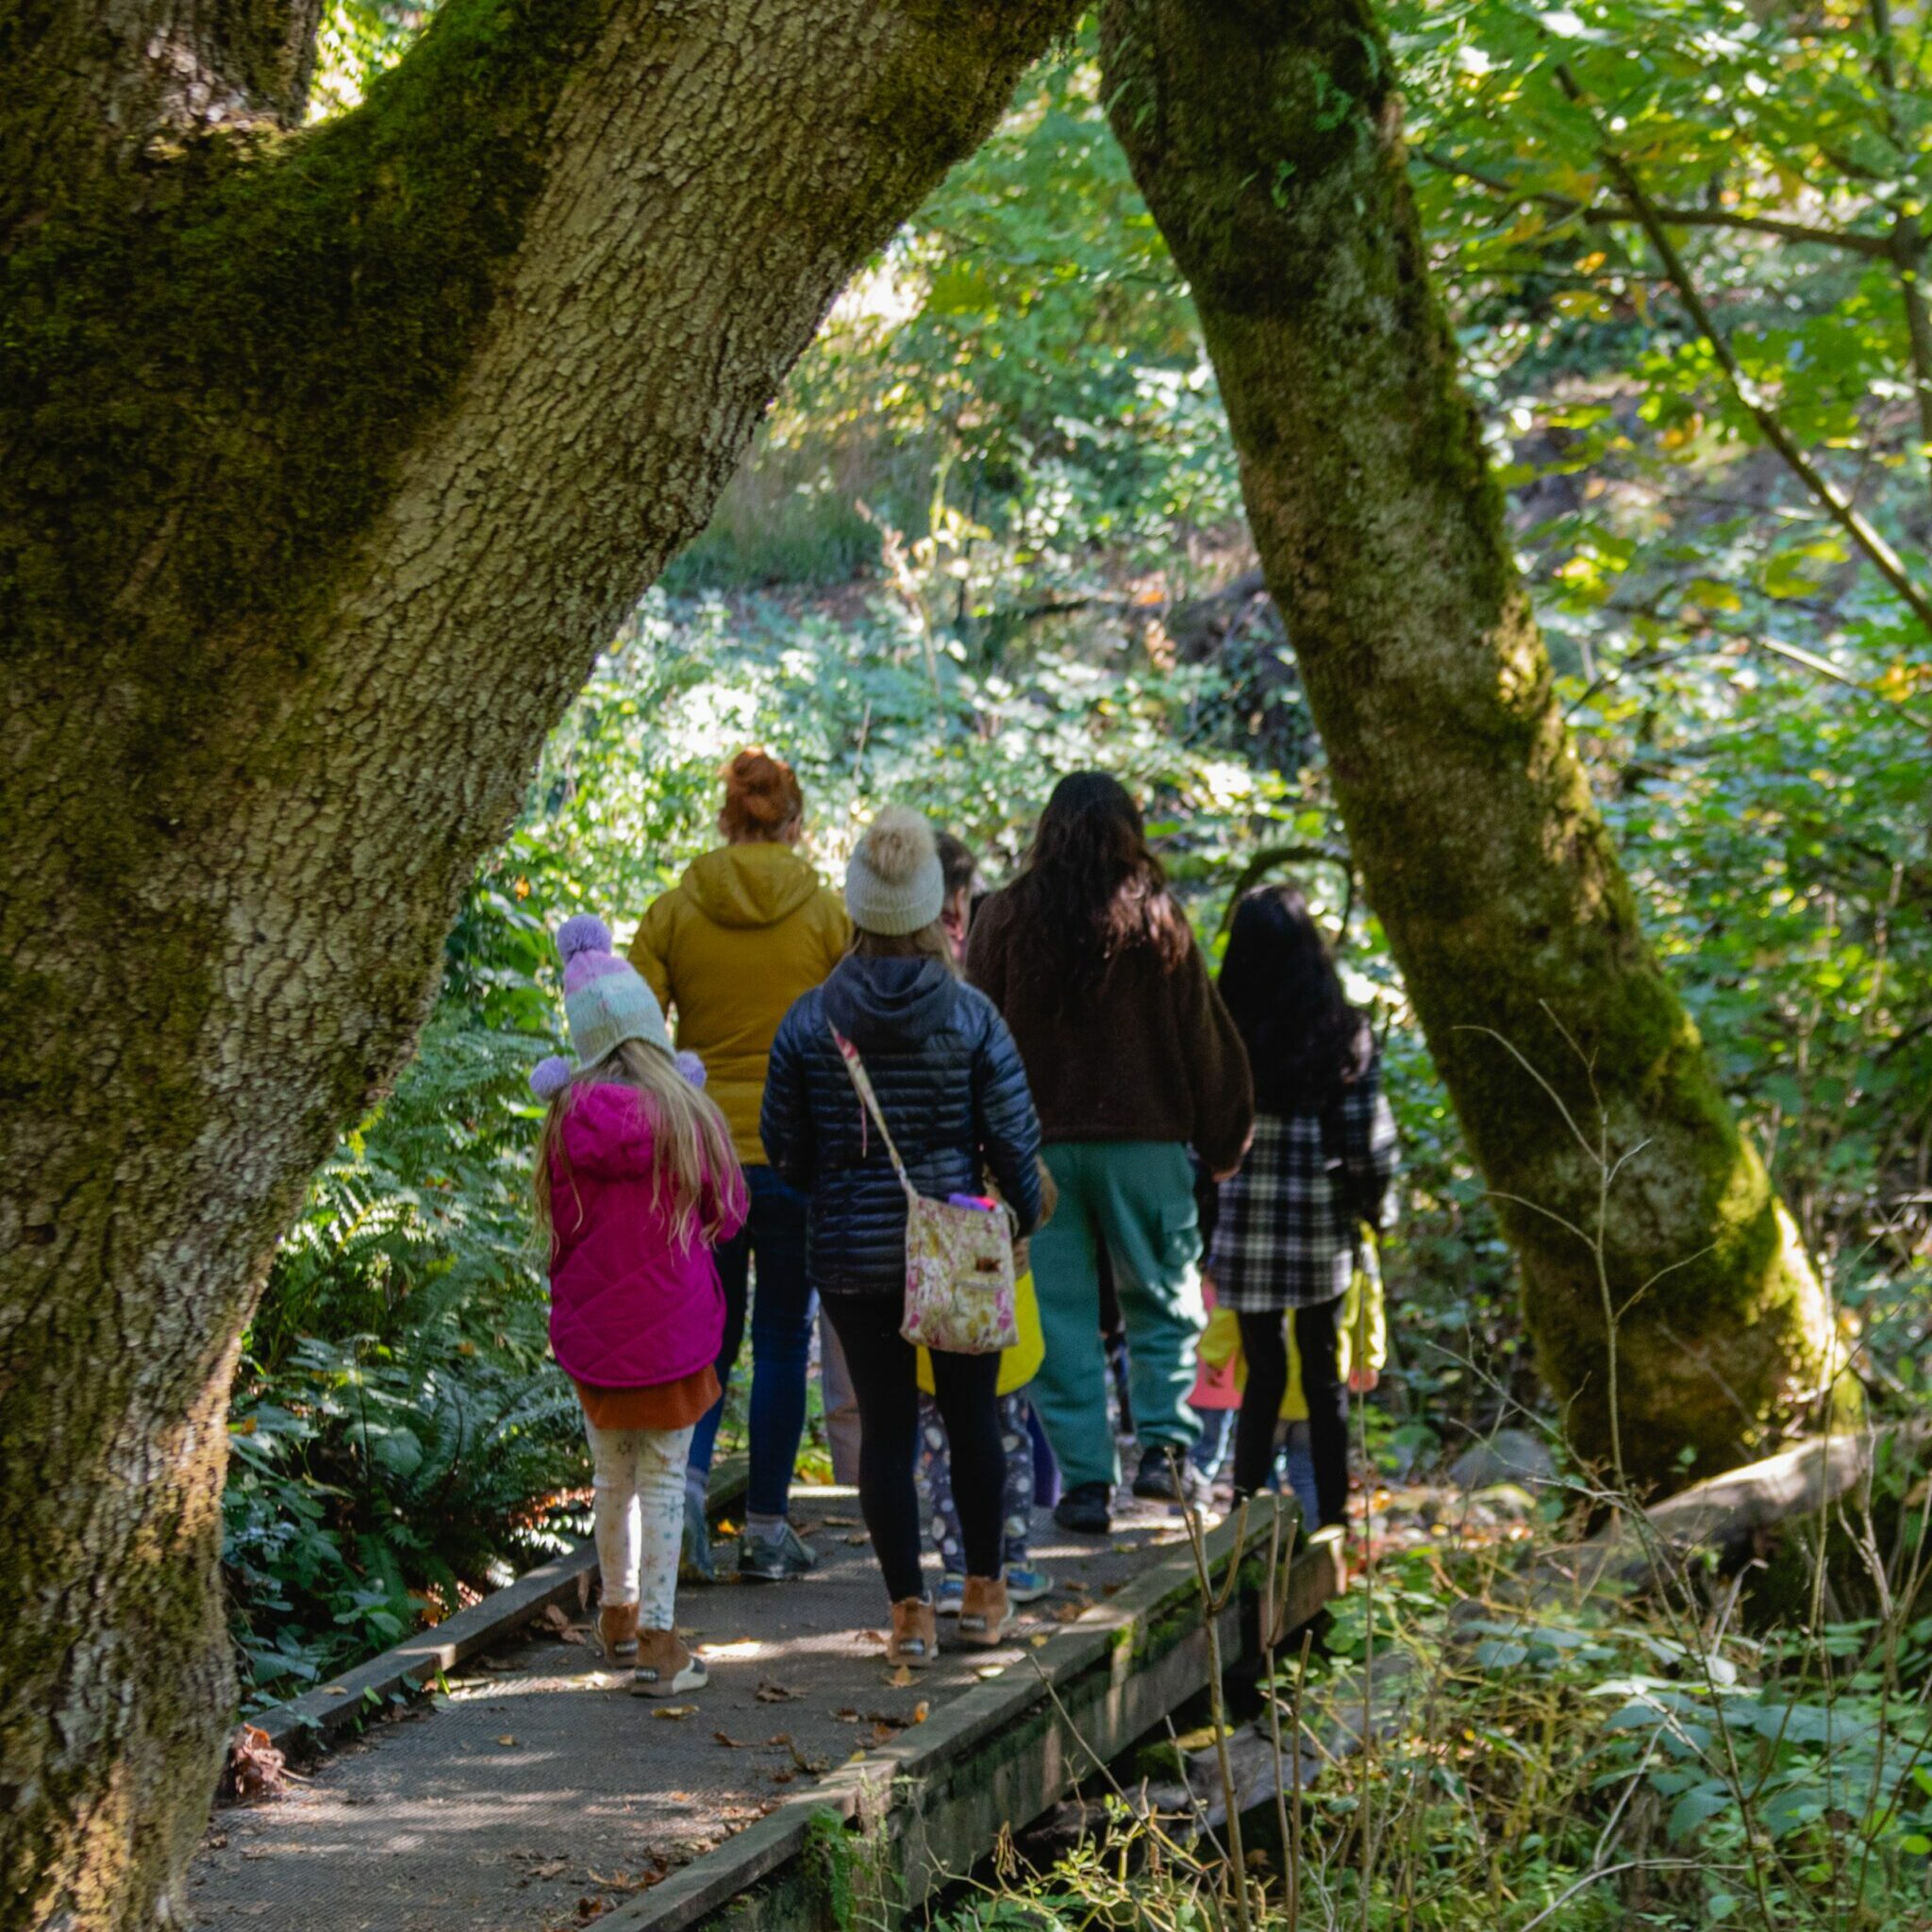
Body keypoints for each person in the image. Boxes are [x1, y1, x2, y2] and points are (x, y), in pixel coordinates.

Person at [762, 808, 1044, 1665]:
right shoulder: (971, 1017)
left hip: (852, 1257)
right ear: (931, 908)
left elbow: (786, 1150)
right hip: (956, 1247)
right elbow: (1013, 1141)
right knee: (972, 1424)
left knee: (885, 1430)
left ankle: (909, 1613)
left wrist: (839, 1191)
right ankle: (985, 1598)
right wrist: (1022, 1216)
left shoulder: (810, 1022)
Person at [967, 773, 1253, 1535]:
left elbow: (978, 1035)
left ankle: (1087, 1483)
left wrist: (982, 1147)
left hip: (1039, 1152)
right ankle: (1162, 1450)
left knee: (1058, 1317)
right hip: (1146, 1147)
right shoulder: (1157, 917)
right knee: (1163, 1299)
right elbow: (1206, 1037)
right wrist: (1224, 1139)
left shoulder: (1003, 916)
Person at [628, 749, 850, 1583]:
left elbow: (634, 1025)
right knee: (785, 1336)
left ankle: (683, 1506)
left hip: (701, 1156)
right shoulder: (828, 916)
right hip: (798, 1152)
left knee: (704, 1337)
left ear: (727, 818)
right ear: (795, 823)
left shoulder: (677, 912)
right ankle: (765, 1529)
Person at [531, 915, 746, 1697]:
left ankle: (617, 1617)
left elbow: (558, 1227)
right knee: (661, 1479)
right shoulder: (688, 1115)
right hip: (677, 1336)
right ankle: (660, 1640)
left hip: (594, 1338)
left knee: (610, 1476)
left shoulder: (563, 1123)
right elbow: (731, 1210)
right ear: (654, 1033)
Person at [1210, 884, 1397, 1527]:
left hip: (1242, 1226)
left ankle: (1242, 1518)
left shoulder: (1222, 1031)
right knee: (1323, 1376)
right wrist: (1375, 1212)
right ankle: (1336, 1522)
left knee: (1261, 1377)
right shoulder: (1344, 1033)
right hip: (1319, 1228)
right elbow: (1369, 1145)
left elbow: (1199, 1139)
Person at [914, 831, 1053, 1613]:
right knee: (1006, 1435)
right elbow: (1030, 1171)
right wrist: (1025, 1213)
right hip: (1003, 1278)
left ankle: (950, 1567)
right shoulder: (983, 1031)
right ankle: (1010, 1563)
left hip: (936, 1272)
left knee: (939, 1443)